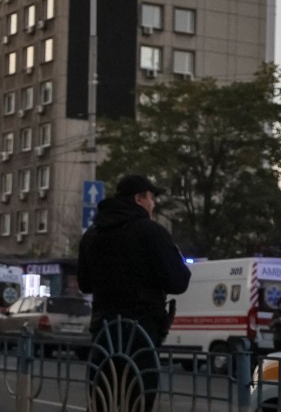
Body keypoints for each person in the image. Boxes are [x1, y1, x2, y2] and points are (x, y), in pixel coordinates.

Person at [77, 174, 191, 411]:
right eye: (151, 198)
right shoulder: (151, 232)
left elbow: (85, 284)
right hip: (141, 331)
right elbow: (179, 282)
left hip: (104, 331)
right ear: (139, 199)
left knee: (103, 399)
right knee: (138, 398)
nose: (154, 204)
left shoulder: (92, 235)